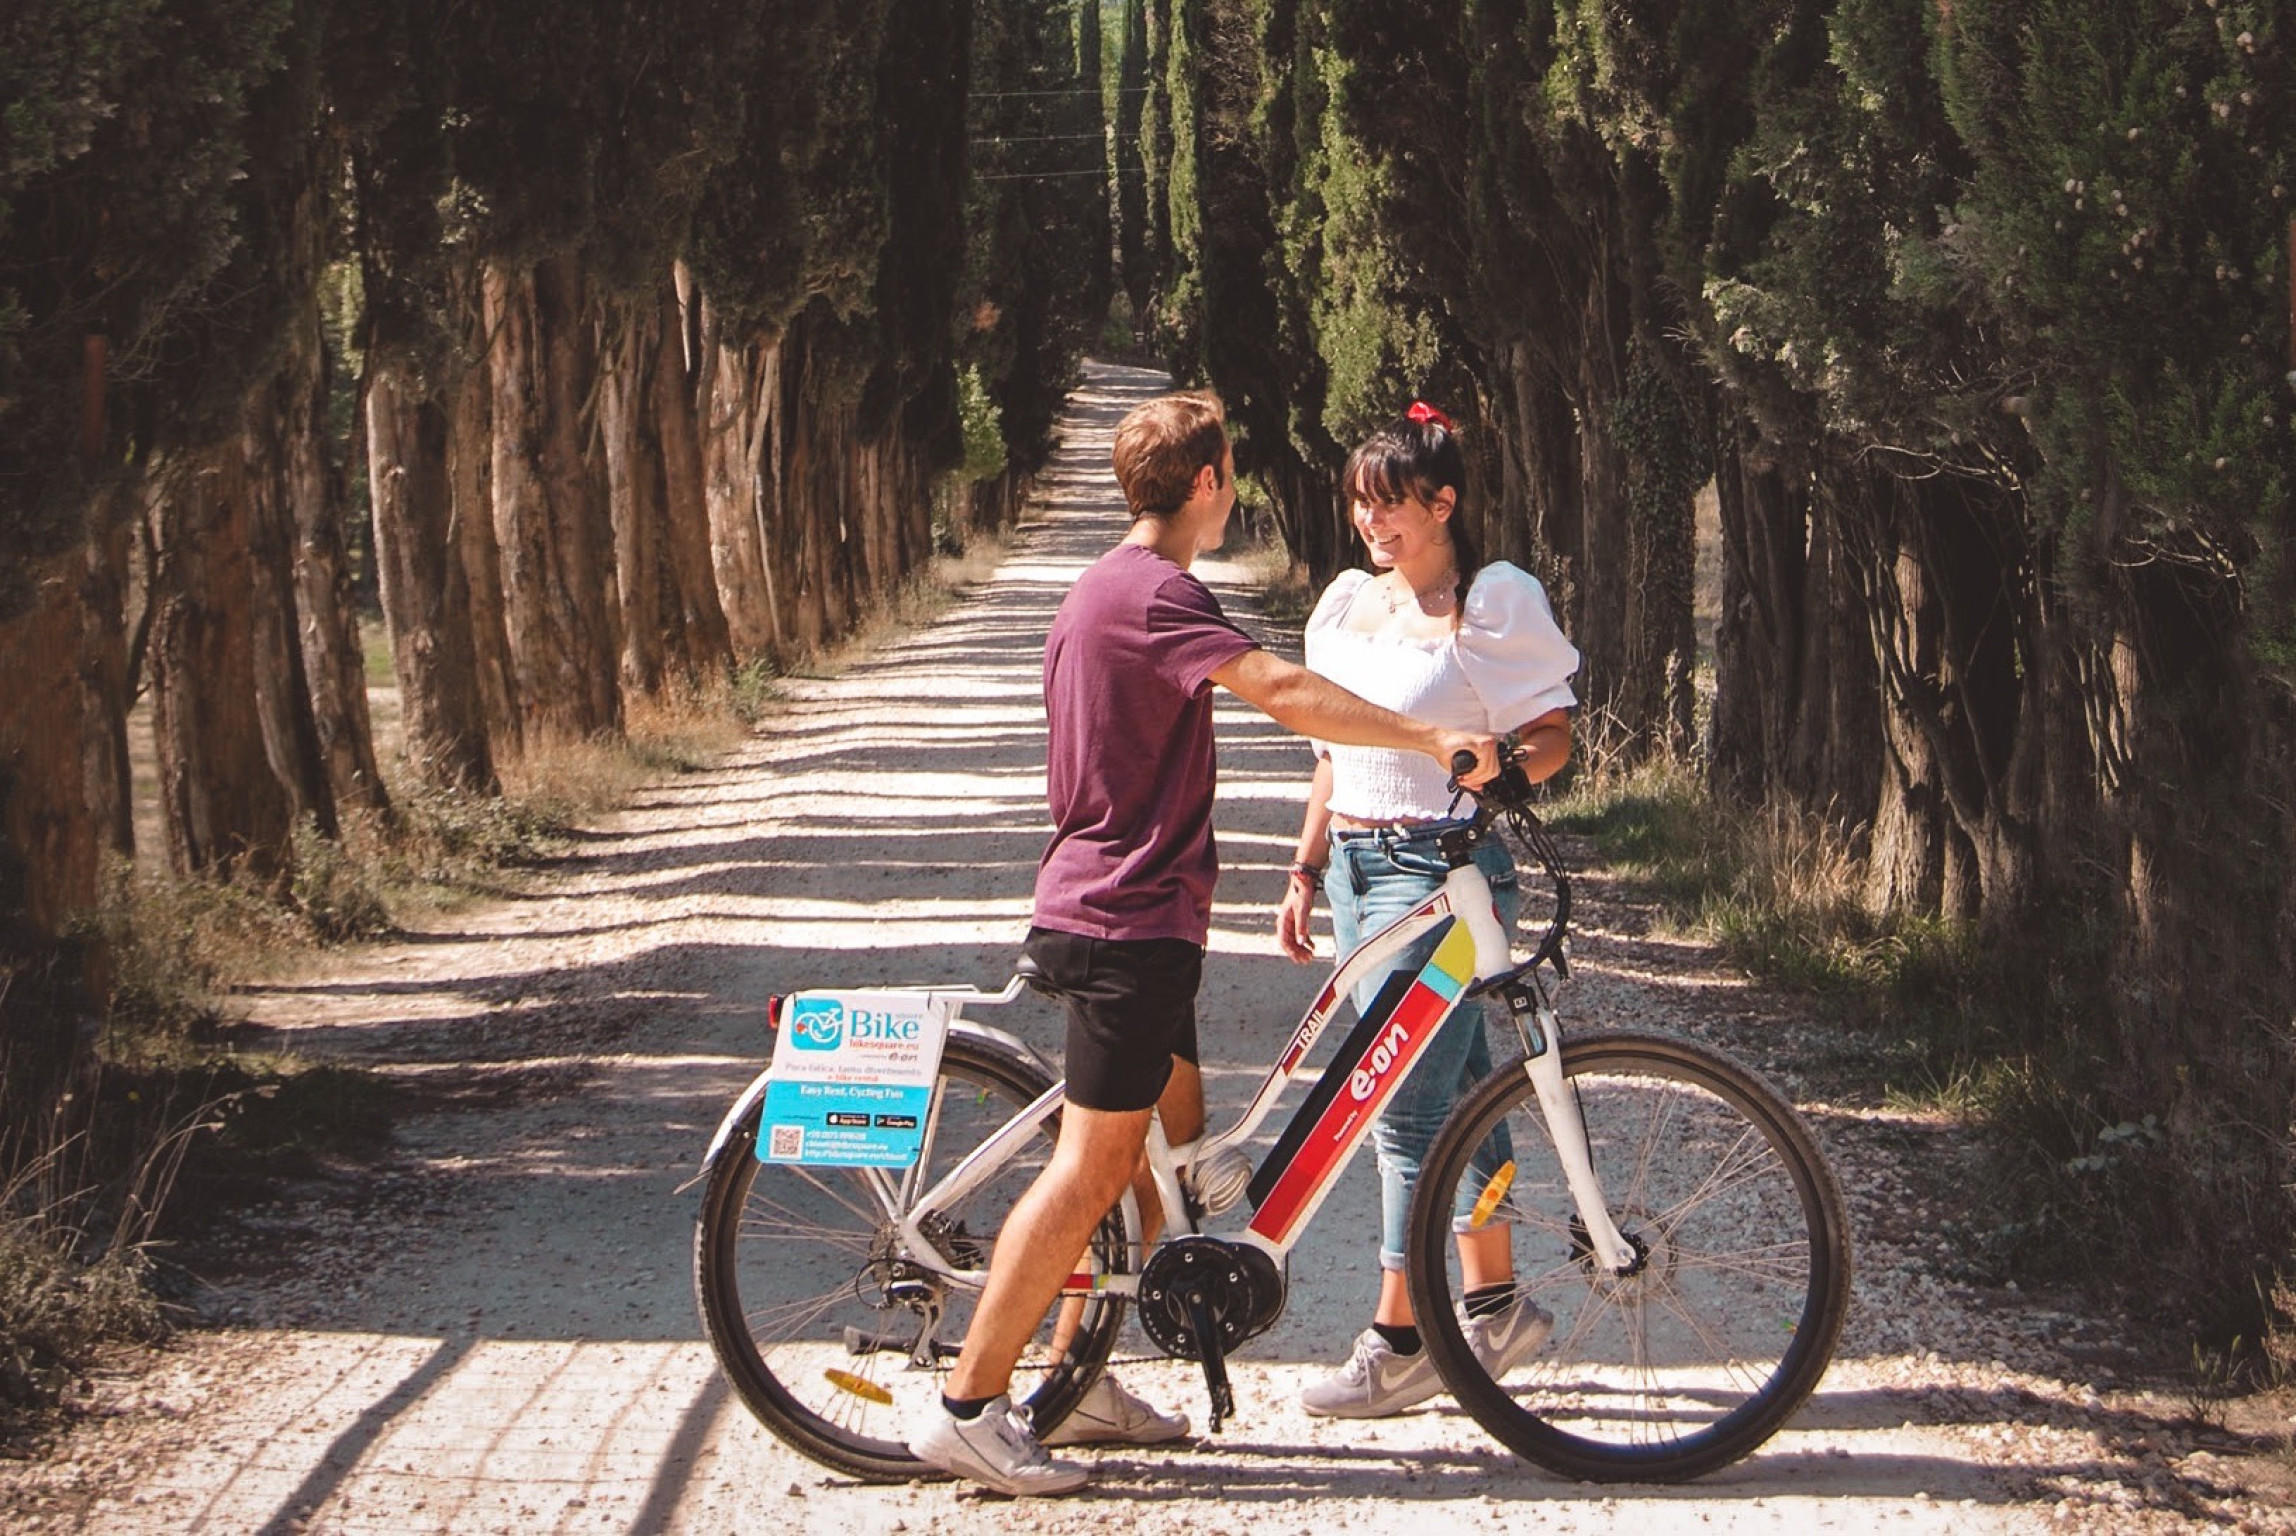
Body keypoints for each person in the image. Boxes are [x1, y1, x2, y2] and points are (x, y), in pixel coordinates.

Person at [906, 391, 1500, 1496]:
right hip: (1125, 920)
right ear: (1206, 482)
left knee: (1165, 1166)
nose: (1235, 485)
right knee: (1092, 1167)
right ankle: (969, 1408)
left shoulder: (1104, 585)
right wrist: (1428, 734)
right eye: (1230, 468)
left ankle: (1076, 1380)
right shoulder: (1156, 593)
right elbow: (1281, 690)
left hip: (1136, 915)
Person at [1272, 402, 1579, 1419]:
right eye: (1360, 504)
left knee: (1398, 1107)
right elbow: (1334, 748)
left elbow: (1552, 734)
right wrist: (1306, 867)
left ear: (1443, 503)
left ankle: (1400, 1339)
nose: (1370, 522)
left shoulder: (1489, 601)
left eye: (1389, 504)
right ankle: (1495, 1305)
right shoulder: (1347, 605)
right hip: (1358, 873)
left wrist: (1506, 770)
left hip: (1442, 872)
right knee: (1462, 1088)